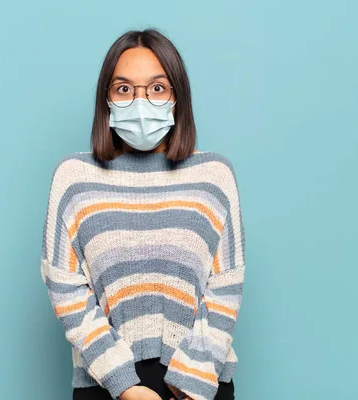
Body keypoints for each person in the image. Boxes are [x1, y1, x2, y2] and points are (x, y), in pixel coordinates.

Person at [40, 28, 245, 400]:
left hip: (200, 385)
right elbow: (64, 284)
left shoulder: (214, 177)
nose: (140, 102)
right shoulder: (74, 179)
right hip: (107, 385)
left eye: (156, 88)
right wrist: (124, 385)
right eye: (124, 89)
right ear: (107, 100)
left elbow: (226, 285)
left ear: (176, 97)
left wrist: (192, 383)